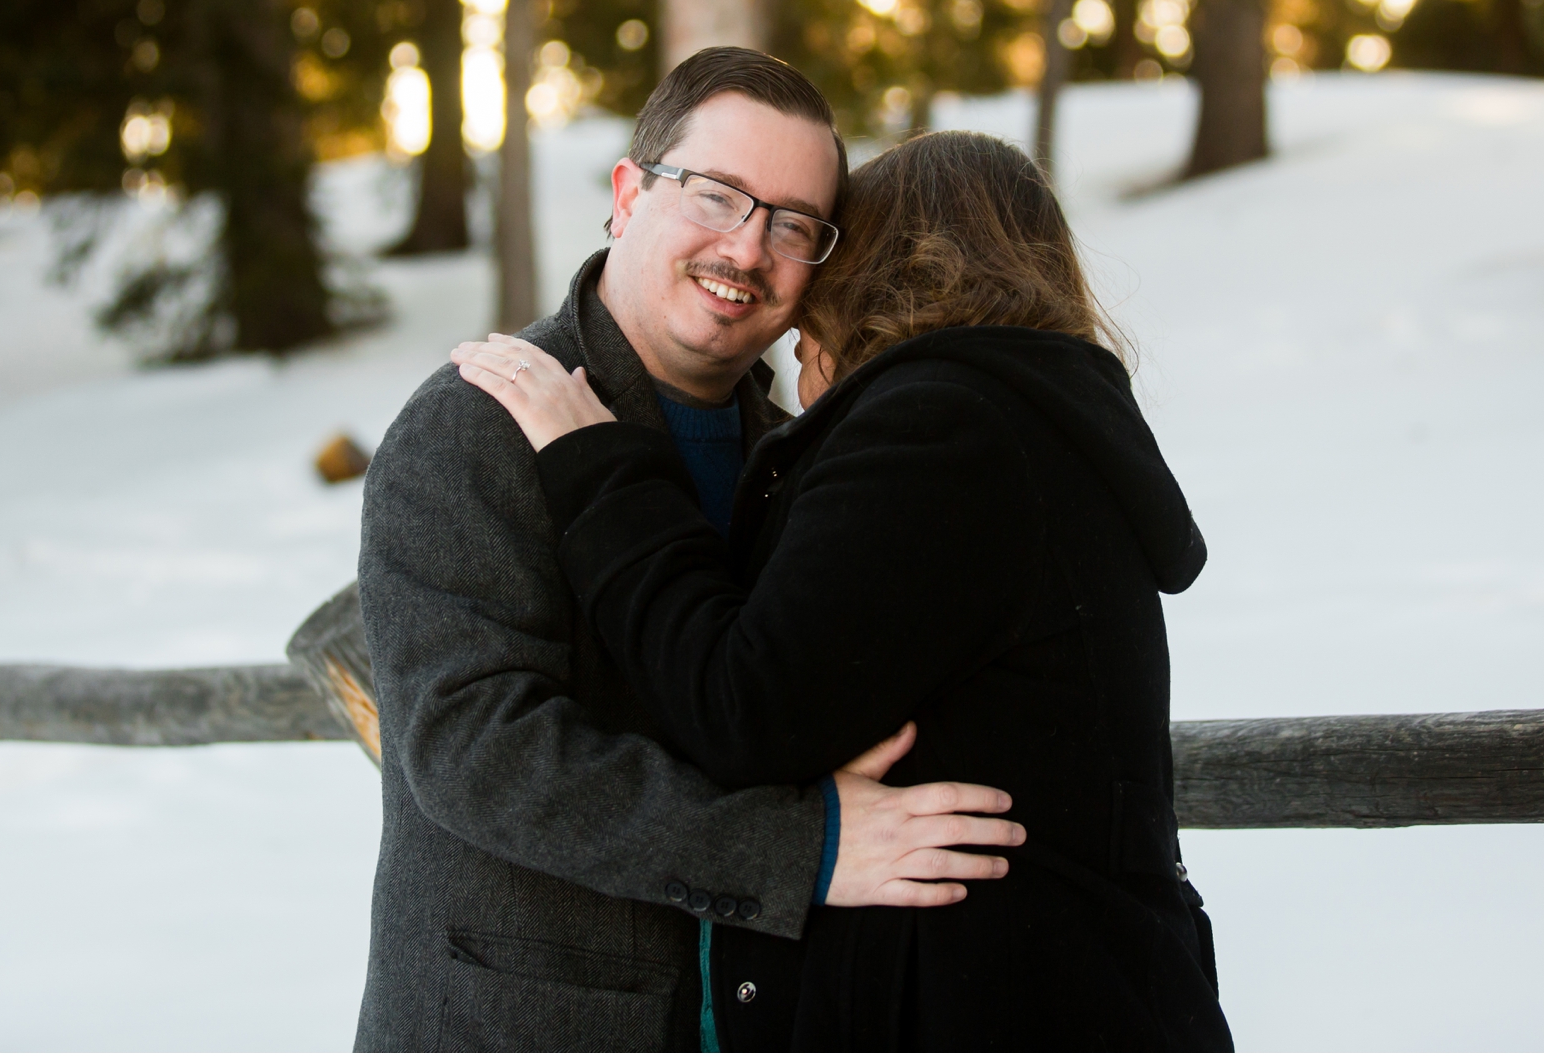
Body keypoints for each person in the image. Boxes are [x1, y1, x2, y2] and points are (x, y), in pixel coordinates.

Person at [454, 129, 1233, 1051]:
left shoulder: (945, 428)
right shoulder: (1030, 419)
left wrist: (598, 472)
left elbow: (742, 706)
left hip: (995, 997)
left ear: (876, 267)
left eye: (826, 245)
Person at [356, 51, 1024, 1051]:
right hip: (535, 1020)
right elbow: (477, 751)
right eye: (715, 194)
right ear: (628, 195)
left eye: (794, 222)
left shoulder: (800, 450)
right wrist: (797, 843)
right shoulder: (478, 422)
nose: (748, 247)